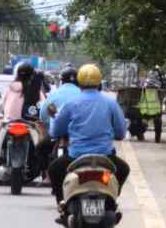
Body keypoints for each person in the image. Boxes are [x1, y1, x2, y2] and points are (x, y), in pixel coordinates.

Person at [48, 63, 129, 216]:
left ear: (79, 83)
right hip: (105, 157)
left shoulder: (71, 104)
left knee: (54, 169)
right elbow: (120, 132)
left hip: (76, 156)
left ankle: (62, 202)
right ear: (99, 82)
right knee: (124, 169)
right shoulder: (111, 103)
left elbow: (56, 130)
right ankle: (112, 200)